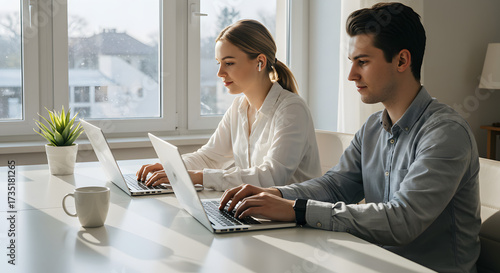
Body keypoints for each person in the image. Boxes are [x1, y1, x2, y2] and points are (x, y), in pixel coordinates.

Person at [219, 3, 481, 272]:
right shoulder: (372, 129)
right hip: (374, 262)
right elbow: (335, 187)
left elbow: (403, 220)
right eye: (352, 62)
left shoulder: (445, 132)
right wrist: (274, 194)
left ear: (402, 60)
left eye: (363, 62)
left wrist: (296, 209)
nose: (351, 75)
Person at [137, 19, 321, 191]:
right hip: (255, 211)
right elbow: (209, 157)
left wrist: (199, 177)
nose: (220, 73)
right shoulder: (239, 107)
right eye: (219, 63)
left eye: (229, 63)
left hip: (294, 218)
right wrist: (170, 166)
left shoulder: (292, 110)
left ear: (260, 62)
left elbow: (271, 178)